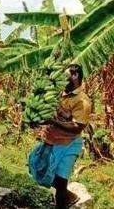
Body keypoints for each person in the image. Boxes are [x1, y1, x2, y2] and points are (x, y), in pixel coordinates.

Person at [28, 64, 92, 209]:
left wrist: (53, 121)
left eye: (65, 75)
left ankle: (63, 200)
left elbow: (77, 127)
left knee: (61, 181)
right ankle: (69, 195)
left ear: (75, 76)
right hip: (51, 139)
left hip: (68, 143)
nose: (61, 79)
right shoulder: (60, 94)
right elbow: (50, 112)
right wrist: (37, 119)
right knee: (37, 167)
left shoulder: (83, 101)